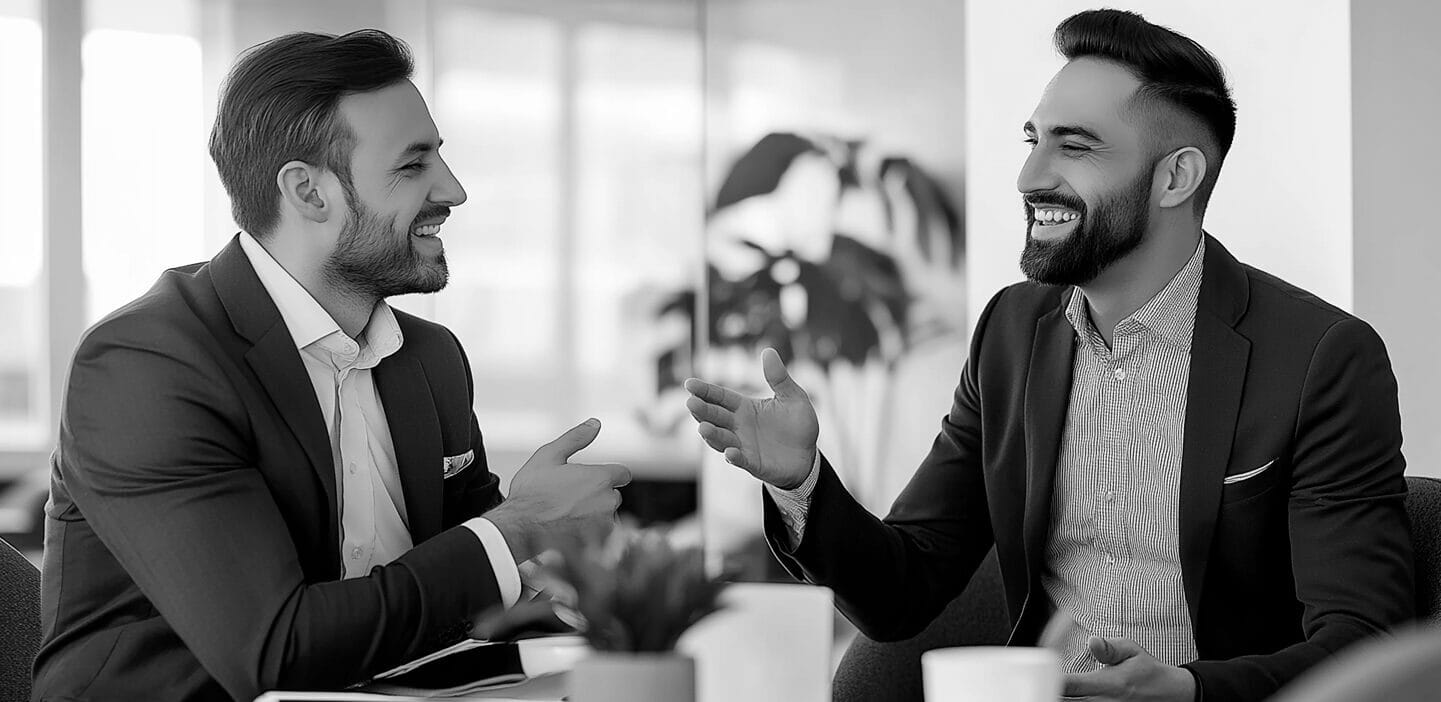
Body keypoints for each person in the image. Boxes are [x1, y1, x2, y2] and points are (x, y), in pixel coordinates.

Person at [684, 9, 1414, 702]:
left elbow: (1360, 643)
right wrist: (801, 482)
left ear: (1174, 178)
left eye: (1074, 145)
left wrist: (1189, 690)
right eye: (1032, 140)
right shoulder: (1011, 330)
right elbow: (903, 590)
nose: (1030, 177)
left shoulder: (1319, 358)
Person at [33, 30, 629, 702]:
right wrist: (514, 529)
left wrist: (594, 579)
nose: (454, 190)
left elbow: (467, 582)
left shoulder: (430, 360)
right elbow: (275, 653)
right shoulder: (149, 364)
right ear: (309, 193)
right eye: (413, 166)